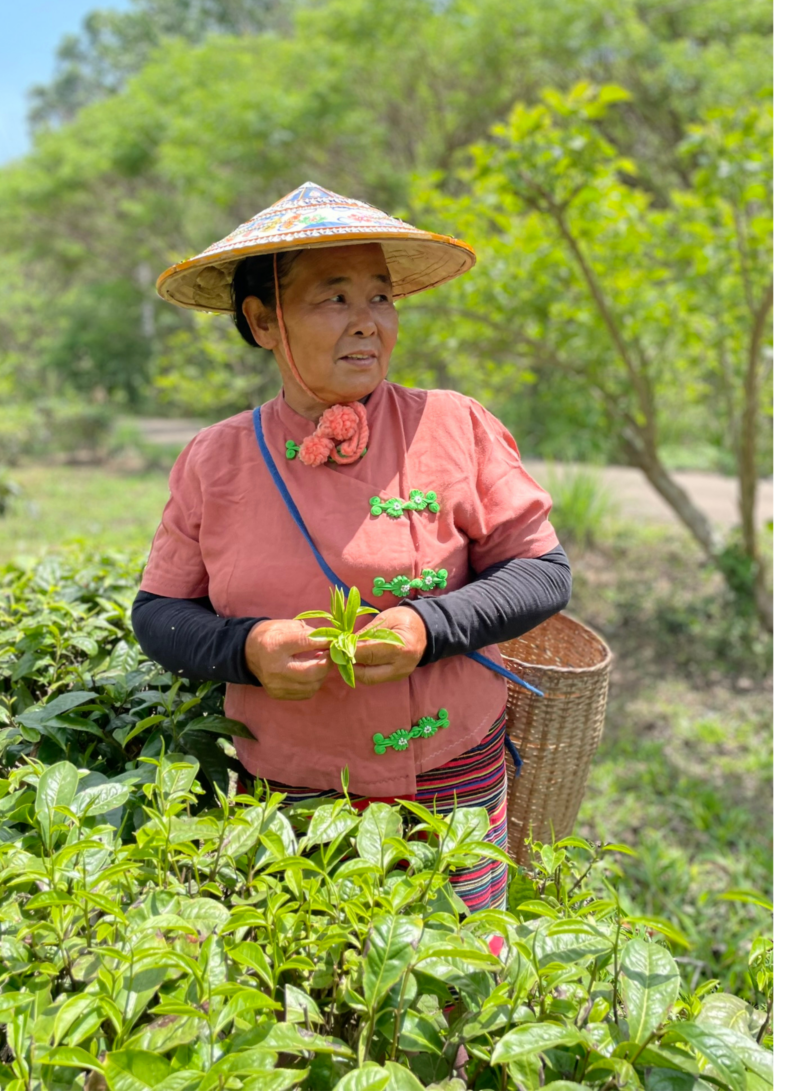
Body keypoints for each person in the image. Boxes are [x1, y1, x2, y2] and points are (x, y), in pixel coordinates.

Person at [134, 182, 572, 908]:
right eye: (334, 300)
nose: (368, 324)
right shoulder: (215, 461)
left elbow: (542, 574)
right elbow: (158, 614)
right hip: (290, 790)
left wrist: (428, 625)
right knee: (311, 992)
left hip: (452, 773)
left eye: (380, 298)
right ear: (262, 320)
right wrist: (247, 650)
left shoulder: (454, 424)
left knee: (459, 983)